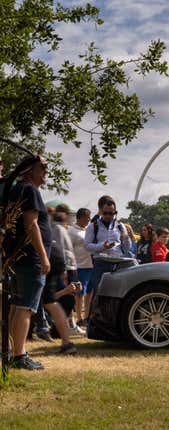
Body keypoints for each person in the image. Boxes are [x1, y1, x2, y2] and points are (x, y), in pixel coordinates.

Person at [5, 156, 68, 370]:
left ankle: (11, 351)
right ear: (30, 170)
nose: (46, 172)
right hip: (30, 257)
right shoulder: (29, 190)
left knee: (17, 306)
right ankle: (19, 356)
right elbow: (31, 224)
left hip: (18, 257)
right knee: (26, 308)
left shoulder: (16, 189)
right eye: (43, 168)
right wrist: (43, 256)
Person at [84, 195, 132, 298]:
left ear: (115, 212)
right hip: (100, 263)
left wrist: (126, 238)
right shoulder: (93, 226)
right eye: (105, 213)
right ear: (101, 211)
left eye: (111, 213)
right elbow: (87, 245)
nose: (108, 216)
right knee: (98, 294)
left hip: (117, 264)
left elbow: (128, 248)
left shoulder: (120, 226)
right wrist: (103, 246)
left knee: (118, 295)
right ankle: (94, 314)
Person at [51, 204, 85, 336]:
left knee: (72, 295)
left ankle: (71, 324)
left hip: (71, 267)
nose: (69, 217)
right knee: (67, 297)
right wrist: (64, 269)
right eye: (67, 214)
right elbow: (60, 250)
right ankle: (65, 325)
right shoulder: (58, 229)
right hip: (65, 267)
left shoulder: (64, 229)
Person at [69, 208, 93, 326]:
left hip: (91, 265)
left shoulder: (88, 230)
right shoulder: (72, 231)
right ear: (80, 217)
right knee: (79, 293)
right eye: (87, 217)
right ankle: (78, 318)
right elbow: (69, 249)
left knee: (89, 292)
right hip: (79, 266)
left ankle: (87, 316)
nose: (89, 220)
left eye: (89, 217)